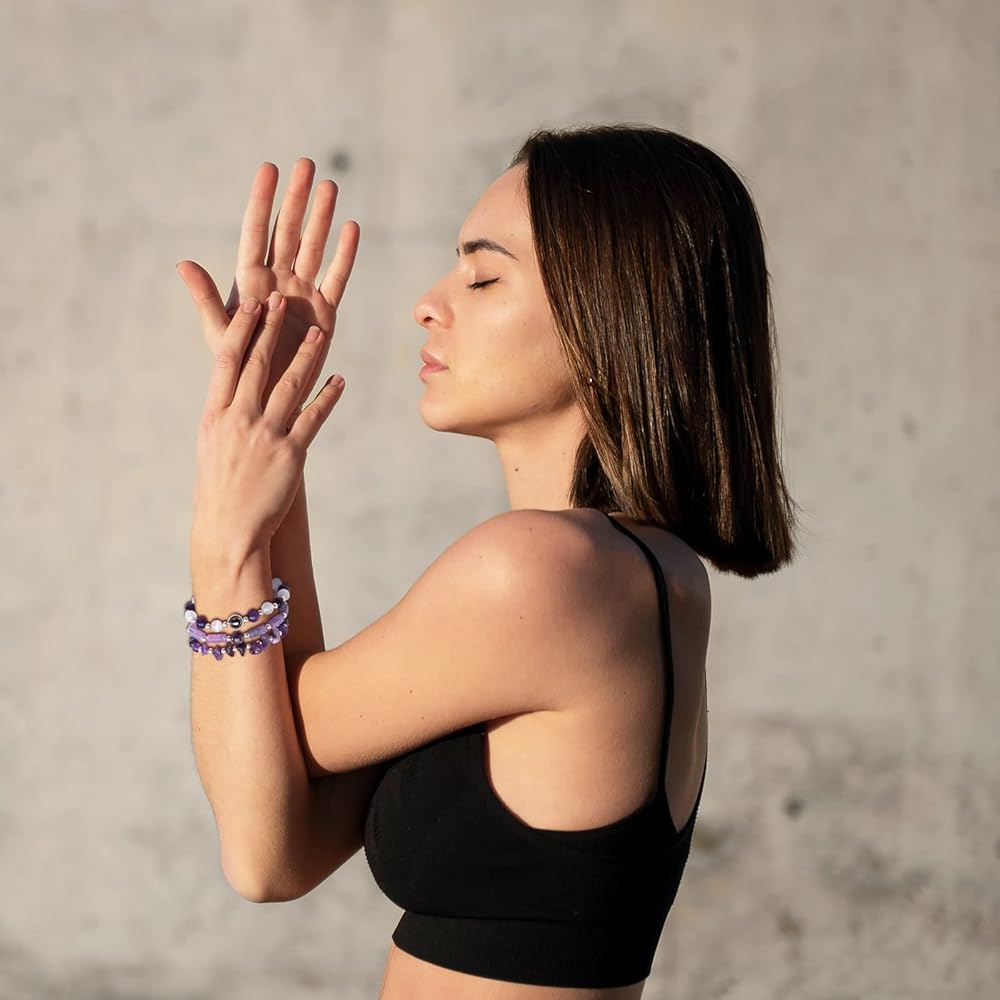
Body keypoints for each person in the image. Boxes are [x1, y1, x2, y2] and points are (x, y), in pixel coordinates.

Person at [179, 124, 799, 999]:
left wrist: (225, 529)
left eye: (483, 277)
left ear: (604, 317)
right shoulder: (641, 568)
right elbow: (285, 847)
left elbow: (256, 812)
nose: (428, 304)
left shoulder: (541, 575)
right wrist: (272, 445)